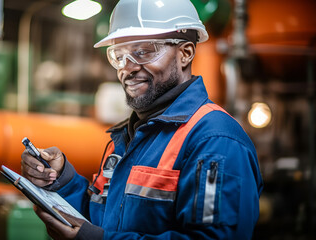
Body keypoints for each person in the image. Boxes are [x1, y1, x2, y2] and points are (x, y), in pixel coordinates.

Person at [21, 0, 263, 239]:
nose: (127, 68)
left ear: (185, 53)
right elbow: (102, 221)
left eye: (143, 52)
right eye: (119, 56)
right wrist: (62, 180)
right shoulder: (129, 136)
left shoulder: (216, 140)